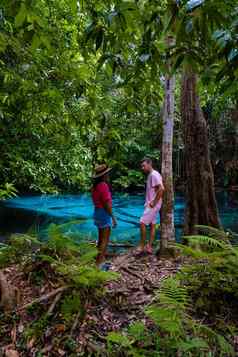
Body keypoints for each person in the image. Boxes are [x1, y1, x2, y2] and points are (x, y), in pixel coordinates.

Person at [92, 164, 117, 266]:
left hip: (97, 212)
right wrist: (113, 217)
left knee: (100, 239)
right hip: (103, 213)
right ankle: (99, 264)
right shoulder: (103, 185)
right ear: (104, 175)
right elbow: (106, 203)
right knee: (105, 240)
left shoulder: (95, 186)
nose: (108, 175)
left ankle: (100, 260)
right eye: (107, 174)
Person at [138, 157, 164, 254]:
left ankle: (142, 245)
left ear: (150, 164)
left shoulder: (154, 175)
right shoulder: (151, 175)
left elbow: (161, 189)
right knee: (153, 225)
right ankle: (149, 246)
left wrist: (154, 202)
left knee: (142, 223)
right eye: (142, 166)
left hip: (153, 205)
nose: (142, 168)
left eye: (144, 166)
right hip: (151, 204)